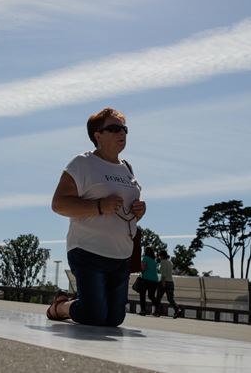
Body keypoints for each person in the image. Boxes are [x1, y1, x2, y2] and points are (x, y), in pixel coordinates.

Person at [47, 107, 146, 326]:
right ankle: (61, 307)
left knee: (114, 319)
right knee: (93, 315)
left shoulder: (127, 168)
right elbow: (59, 204)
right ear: (97, 135)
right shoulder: (82, 164)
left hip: (121, 254)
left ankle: (75, 303)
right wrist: (99, 206)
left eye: (124, 129)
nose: (122, 133)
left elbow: (125, 212)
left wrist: (138, 212)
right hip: (88, 251)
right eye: (114, 128)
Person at [156, 249, 183, 318]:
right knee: (170, 298)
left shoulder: (162, 262)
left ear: (161, 256)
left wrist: (163, 283)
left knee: (158, 298)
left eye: (159, 255)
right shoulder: (170, 262)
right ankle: (177, 310)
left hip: (164, 281)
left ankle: (158, 312)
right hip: (171, 282)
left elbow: (164, 274)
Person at [138, 246, 160, 316]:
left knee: (142, 295)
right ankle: (159, 307)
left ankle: (143, 310)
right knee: (151, 296)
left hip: (146, 279)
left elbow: (143, 268)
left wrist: (140, 268)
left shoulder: (145, 258)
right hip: (155, 280)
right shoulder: (154, 261)